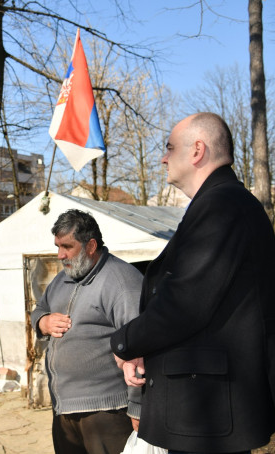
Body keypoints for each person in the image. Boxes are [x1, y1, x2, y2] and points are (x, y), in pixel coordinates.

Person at [111, 112, 275, 454]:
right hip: (207, 410)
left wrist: (125, 342)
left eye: (170, 147)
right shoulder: (221, 204)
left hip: (208, 414)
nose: (163, 157)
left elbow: (184, 304)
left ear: (197, 150)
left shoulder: (222, 206)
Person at [31, 209, 143, 454]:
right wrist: (43, 322)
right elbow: (39, 309)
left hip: (107, 413)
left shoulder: (122, 282)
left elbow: (140, 348)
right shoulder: (63, 278)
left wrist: (138, 407)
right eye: (58, 246)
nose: (60, 255)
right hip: (64, 410)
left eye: (67, 247)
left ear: (91, 245)